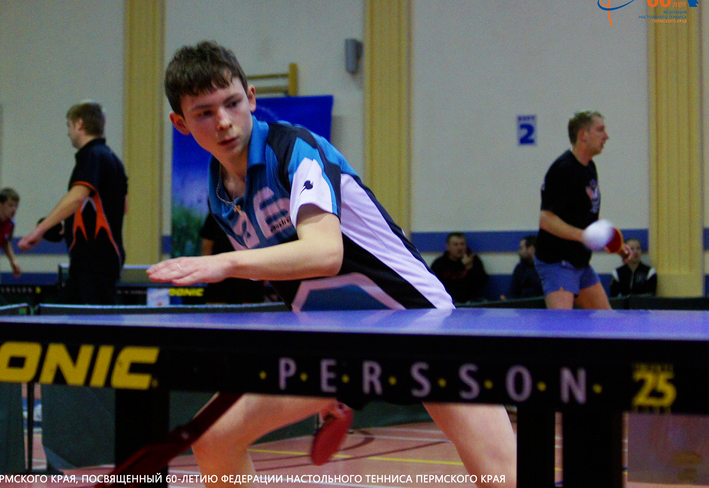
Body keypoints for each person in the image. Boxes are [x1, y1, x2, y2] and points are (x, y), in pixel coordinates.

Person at [147, 41, 516, 488]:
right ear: (180, 123)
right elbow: (290, 282)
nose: (223, 121)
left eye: (232, 103)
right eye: (204, 113)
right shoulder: (220, 196)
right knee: (212, 437)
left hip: (419, 324)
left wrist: (224, 264)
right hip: (339, 348)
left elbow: (324, 254)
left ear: (252, 98)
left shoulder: (295, 149)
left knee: (502, 476)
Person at [18, 102, 128, 305]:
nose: (68, 133)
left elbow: (78, 196)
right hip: (90, 264)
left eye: (68, 126)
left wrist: (39, 230)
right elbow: (121, 207)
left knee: (94, 323)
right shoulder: (113, 159)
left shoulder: (92, 155)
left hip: (94, 264)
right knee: (63, 316)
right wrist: (67, 228)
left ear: (79, 124)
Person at [535, 111, 629, 310]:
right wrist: (583, 236)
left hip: (580, 262)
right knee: (562, 325)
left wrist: (615, 244)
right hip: (558, 262)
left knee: (606, 321)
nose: (606, 136)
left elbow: (589, 216)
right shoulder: (563, 169)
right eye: (600, 130)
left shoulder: (589, 167)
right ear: (583, 135)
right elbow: (546, 219)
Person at [199, 213, 265, 304]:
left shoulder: (256, 211)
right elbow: (207, 245)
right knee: (216, 306)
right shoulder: (216, 211)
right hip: (220, 272)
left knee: (252, 308)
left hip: (250, 270)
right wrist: (205, 271)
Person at [430, 232, 489, 304]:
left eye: (462, 244)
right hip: (447, 302)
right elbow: (433, 286)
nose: (460, 248)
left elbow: (482, 283)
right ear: (448, 246)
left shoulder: (473, 260)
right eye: (456, 245)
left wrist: (469, 268)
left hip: (472, 302)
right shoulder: (439, 264)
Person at [503, 235, 543, 300]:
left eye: (521, 248)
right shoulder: (520, 268)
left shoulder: (545, 267)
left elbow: (540, 288)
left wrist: (534, 259)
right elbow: (512, 291)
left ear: (531, 249)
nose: (519, 252)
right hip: (521, 304)